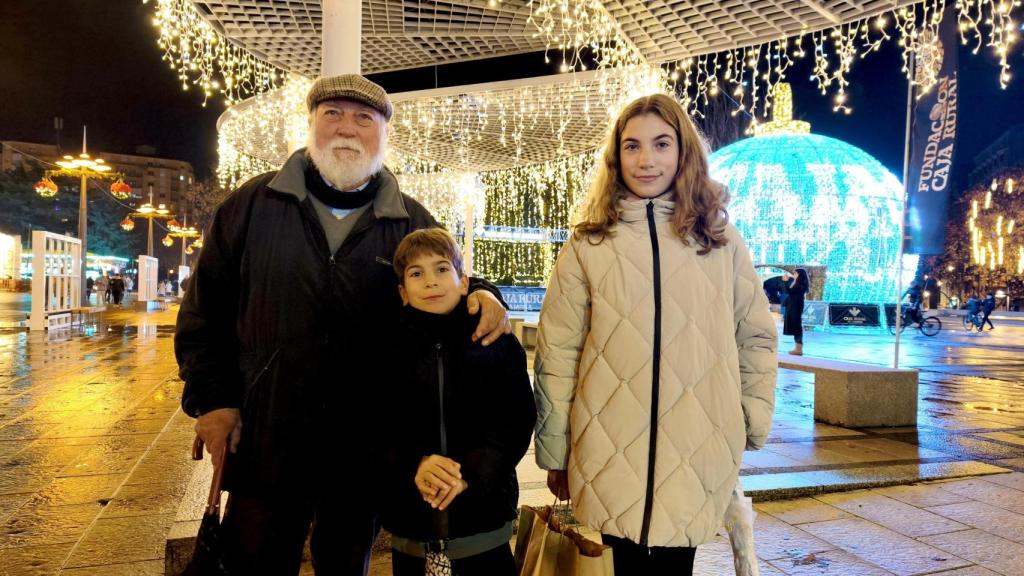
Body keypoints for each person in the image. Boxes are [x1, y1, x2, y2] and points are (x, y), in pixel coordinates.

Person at [174, 73, 512, 576]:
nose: (346, 129)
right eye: (332, 114)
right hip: (267, 437)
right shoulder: (253, 206)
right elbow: (204, 311)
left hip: (364, 447)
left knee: (344, 563)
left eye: (363, 118)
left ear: (382, 133)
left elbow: (448, 275)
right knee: (255, 562)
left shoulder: (408, 218)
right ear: (311, 125)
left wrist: (488, 293)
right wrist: (214, 399)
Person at [532, 94, 778, 576]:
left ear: (683, 151)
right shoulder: (588, 241)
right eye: (632, 146)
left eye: (661, 144)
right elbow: (557, 352)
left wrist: (749, 416)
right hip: (606, 441)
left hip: (699, 437)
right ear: (616, 156)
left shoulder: (719, 238)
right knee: (621, 564)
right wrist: (556, 450)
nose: (646, 160)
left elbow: (755, 334)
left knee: (675, 566)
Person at [377, 229, 536, 576]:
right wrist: (414, 464)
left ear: (464, 282)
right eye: (416, 273)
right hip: (411, 526)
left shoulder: (496, 342)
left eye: (441, 269)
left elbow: (515, 421)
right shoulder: (385, 350)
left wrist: (468, 475)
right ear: (403, 292)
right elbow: (374, 423)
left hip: (484, 523)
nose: (431, 281)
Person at [783, 268, 810, 355]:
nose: (794, 274)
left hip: (796, 307)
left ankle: (799, 348)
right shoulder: (796, 282)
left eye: (795, 273)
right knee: (795, 326)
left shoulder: (801, 284)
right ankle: (797, 347)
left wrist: (786, 281)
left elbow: (790, 291)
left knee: (797, 326)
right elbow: (789, 292)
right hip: (792, 306)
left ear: (800, 275)